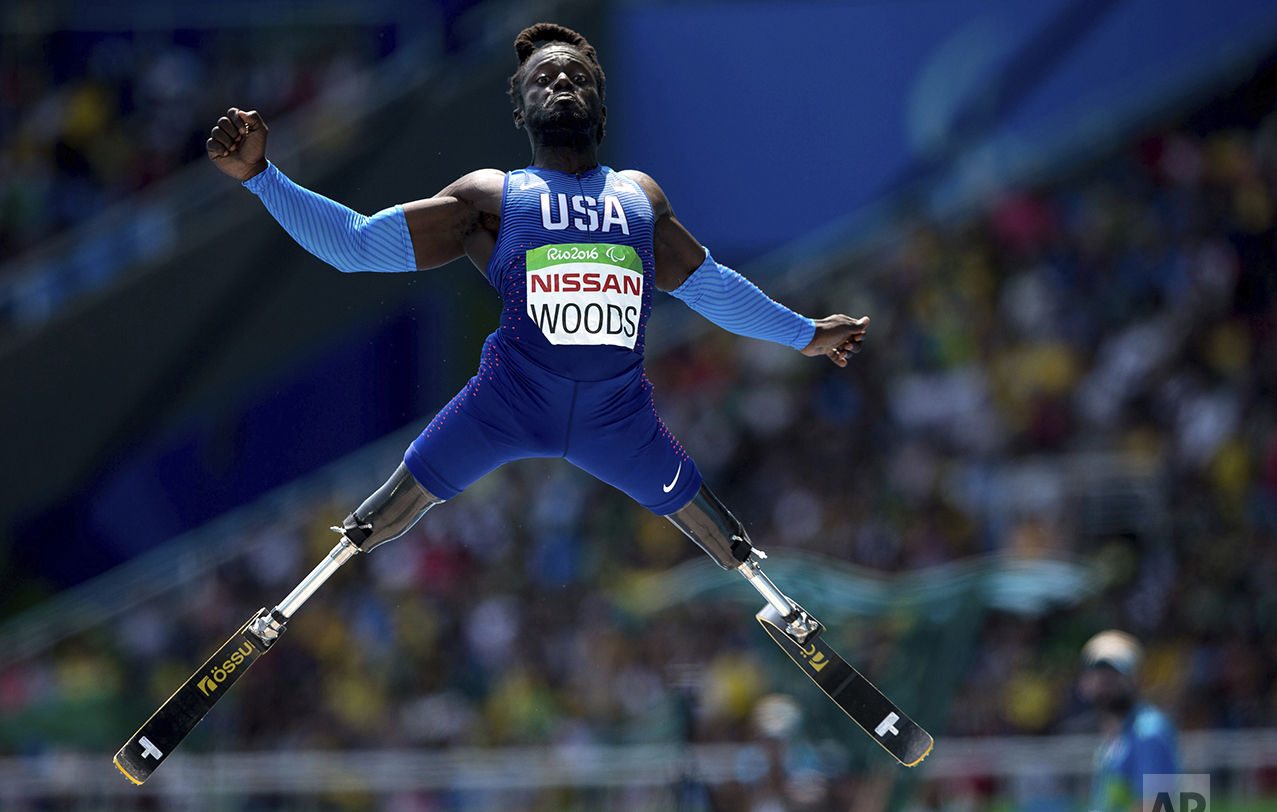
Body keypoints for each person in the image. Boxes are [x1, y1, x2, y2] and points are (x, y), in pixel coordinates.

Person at [203, 23, 867, 613]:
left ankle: (772, 596)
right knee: (395, 503)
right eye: (542, 77)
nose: (560, 82)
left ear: (600, 106)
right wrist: (262, 175)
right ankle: (307, 590)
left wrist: (805, 334)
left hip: (618, 416)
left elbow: (708, 285)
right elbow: (353, 245)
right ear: (518, 106)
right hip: (507, 401)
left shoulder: (637, 196)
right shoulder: (492, 197)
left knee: (710, 522)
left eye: (576, 76)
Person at [997, 630, 1180, 812]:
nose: (1106, 681)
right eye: (1098, 672)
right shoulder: (1114, 739)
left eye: (1115, 673)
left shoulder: (1149, 732)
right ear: (1084, 682)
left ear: (1136, 677)